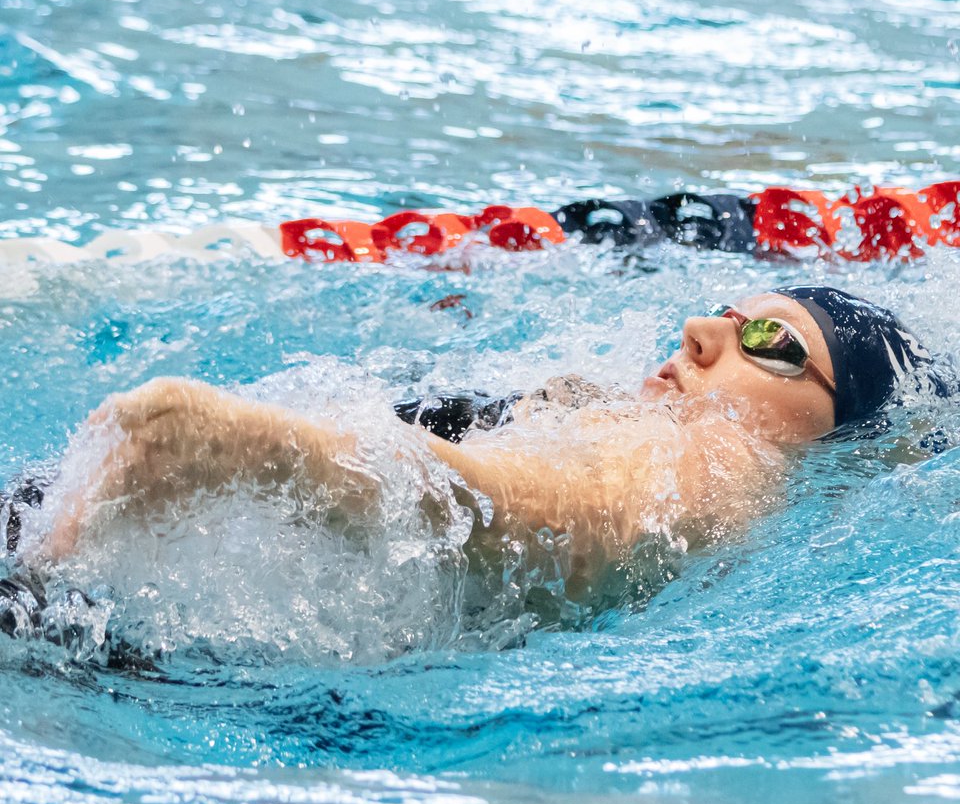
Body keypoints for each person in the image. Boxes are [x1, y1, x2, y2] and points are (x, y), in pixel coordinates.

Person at [3, 285, 944, 617]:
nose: (701, 330)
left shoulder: (728, 465)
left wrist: (257, 448)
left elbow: (541, 516)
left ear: (844, 444)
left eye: (771, 344)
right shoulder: (625, 411)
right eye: (727, 313)